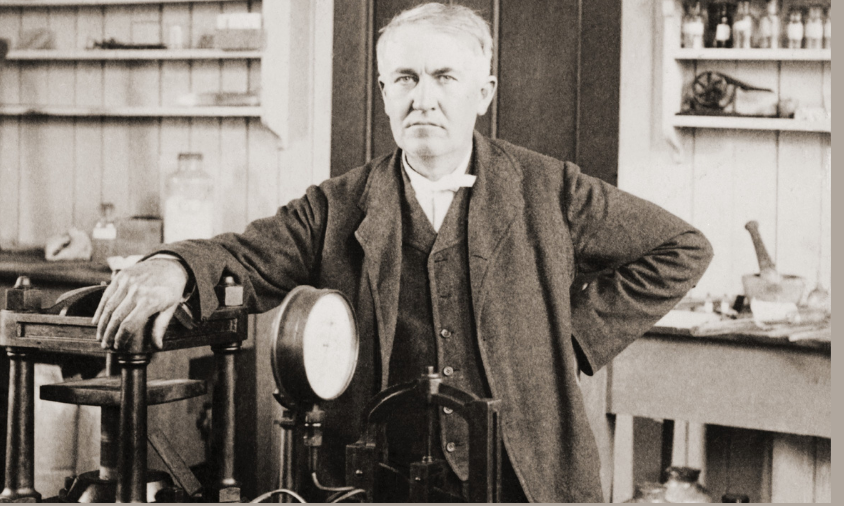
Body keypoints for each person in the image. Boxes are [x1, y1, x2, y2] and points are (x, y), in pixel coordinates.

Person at [93, 3, 713, 502]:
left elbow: (681, 248)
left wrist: (569, 339)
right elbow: (248, 257)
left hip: (526, 476)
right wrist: (172, 264)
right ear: (385, 91)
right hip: (383, 477)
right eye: (406, 79)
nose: (425, 97)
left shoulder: (549, 189)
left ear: (484, 92)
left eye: (445, 77)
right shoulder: (336, 205)